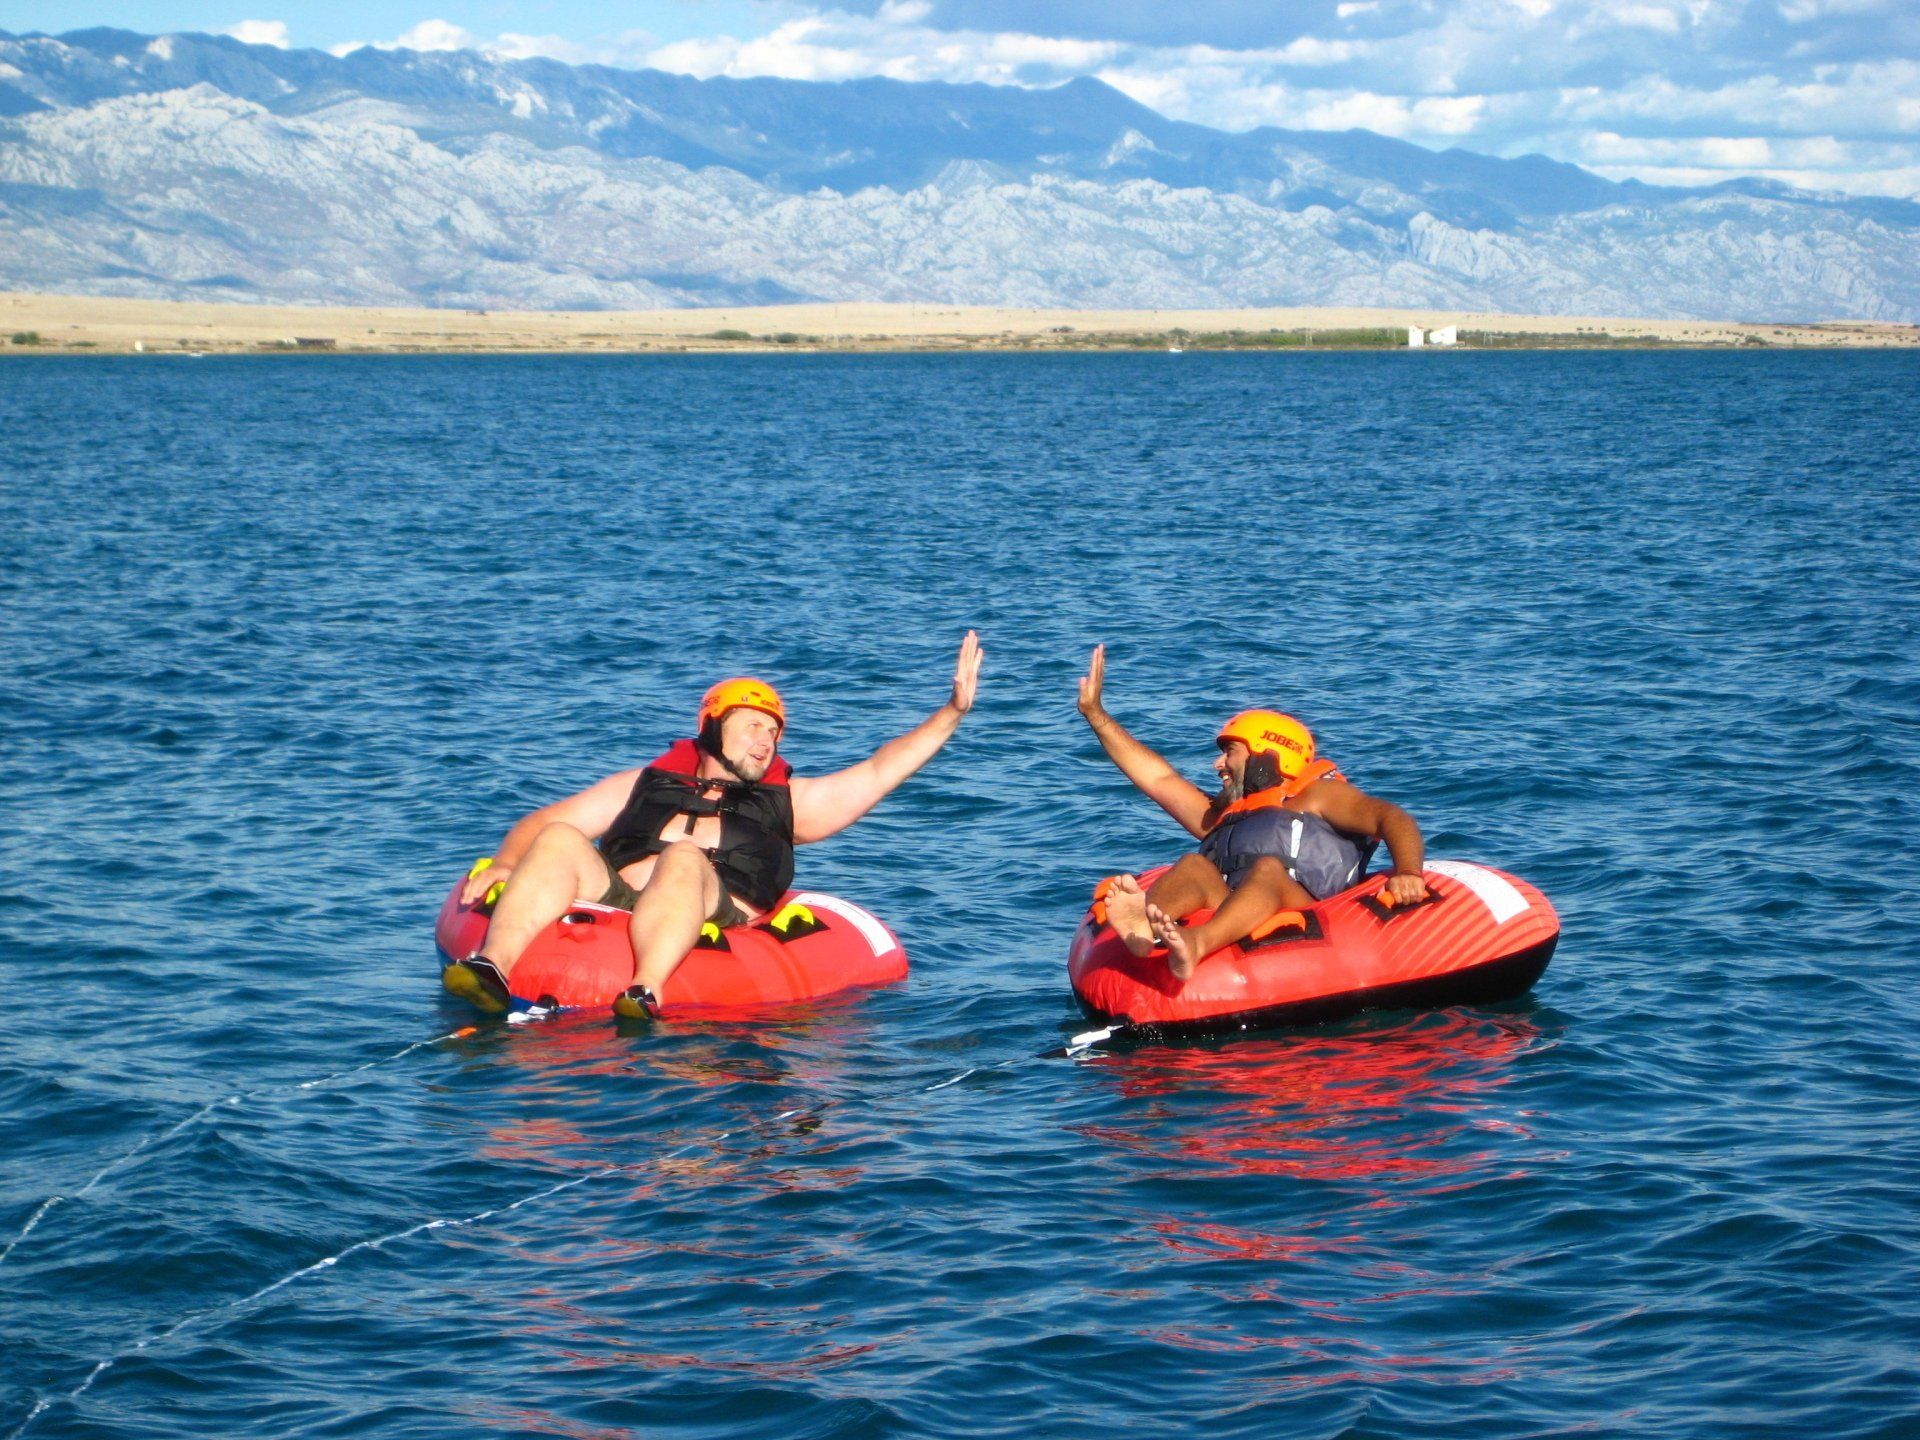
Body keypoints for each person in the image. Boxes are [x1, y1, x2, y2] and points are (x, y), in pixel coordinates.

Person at [445, 631, 983, 1019]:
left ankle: (644, 990)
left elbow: (881, 769)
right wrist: (507, 863)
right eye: (752, 726)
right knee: (560, 839)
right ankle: (491, 967)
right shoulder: (643, 783)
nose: (765, 741)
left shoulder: (793, 801)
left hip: (715, 912)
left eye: (773, 732)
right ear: (712, 726)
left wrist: (952, 712)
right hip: (616, 898)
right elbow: (545, 821)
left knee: (683, 856)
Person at [1076, 643, 1428, 983]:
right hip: (1234, 905)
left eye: (1230, 752)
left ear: (1267, 755)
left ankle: (1198, 943)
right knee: (1194, 865)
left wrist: (1408, 872)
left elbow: (1392, 818)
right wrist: (1096, 715)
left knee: (1268, 870)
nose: (1218, 764)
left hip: (1308, 906)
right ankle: (1144, 926)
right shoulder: (1225, 815)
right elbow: (1159, 779)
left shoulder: (1318, 795)